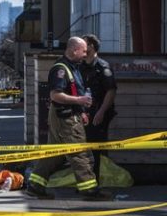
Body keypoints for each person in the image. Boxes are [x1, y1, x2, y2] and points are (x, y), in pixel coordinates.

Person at [25, 37, 111, 201]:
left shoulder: (74, 68)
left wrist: (81, 111)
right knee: (80, 153)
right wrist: (79, 101)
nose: (86, 54)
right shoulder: (61, 69)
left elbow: (72, 92)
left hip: (66, 116)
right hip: (66, 118)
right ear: (74, 50)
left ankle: (35, 185)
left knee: (55, 154)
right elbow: (55, 95)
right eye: (84, 51)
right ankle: (90, 190)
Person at [81, 33, 117, 176]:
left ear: (91, 46)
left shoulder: (103, 67)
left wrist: (101, 112)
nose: (81, 48)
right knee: (83, 149)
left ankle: (97, 182)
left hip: (98, 114)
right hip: (84, 114)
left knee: (96, 149)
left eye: (84, 44)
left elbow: (111, 91)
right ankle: (86, 182)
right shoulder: (81, 66)